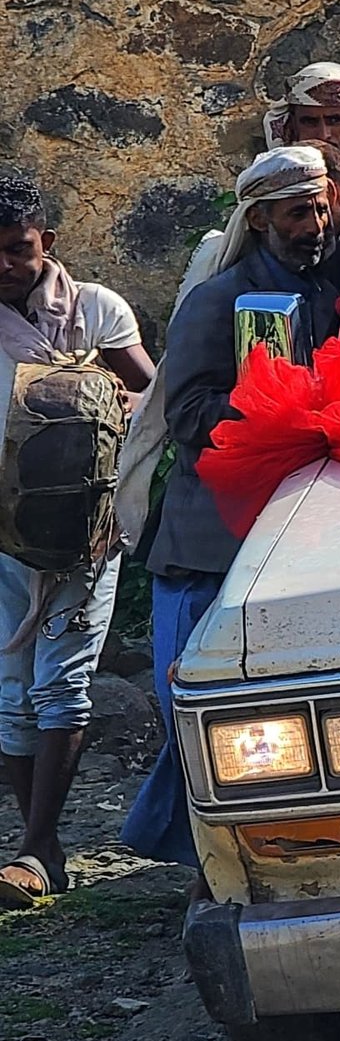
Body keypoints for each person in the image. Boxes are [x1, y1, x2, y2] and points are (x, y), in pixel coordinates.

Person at [120, 147, 339, 870]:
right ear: (260, 219)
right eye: (296, 212)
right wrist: (278, 410)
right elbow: (187, 414)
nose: (315, 223)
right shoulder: (218, 302)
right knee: (202, 710)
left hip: (301, 531)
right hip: (211, 541)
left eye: (321, 206)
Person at [0, 172, 154, 906]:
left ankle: (37, 845)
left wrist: (108, 404)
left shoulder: (95, 311)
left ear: (47, 242)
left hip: (84, 533)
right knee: (9, 688)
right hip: (3, 534)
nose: (3, 266)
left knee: (60, 679)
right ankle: (40, 842)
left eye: (16, 251)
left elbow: (150, 396)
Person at [263, 61, 340, 182]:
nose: (323, 135)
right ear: (293, 124)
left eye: (335, 120)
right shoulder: (265, 179)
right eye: (310, 122)